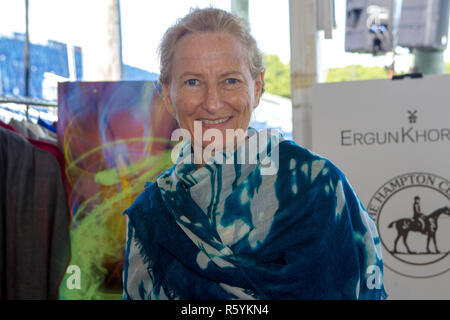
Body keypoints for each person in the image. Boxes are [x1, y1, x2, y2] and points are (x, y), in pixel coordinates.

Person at [122, 7, 387, 300]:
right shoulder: (152, 213)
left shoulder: (316, 187)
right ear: (167, 94)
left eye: (230, 81)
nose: (212, 103)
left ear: (257, 87)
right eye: (193, 82)